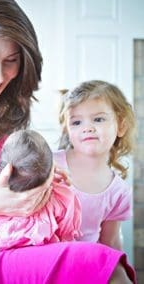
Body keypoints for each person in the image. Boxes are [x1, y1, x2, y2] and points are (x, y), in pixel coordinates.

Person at [0, 0, 136, 283]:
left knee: (101, 263)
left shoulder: (2, 115)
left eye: (11, 60)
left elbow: (8, 184)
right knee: (96, 264)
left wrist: (41, 183)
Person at [0, 129, 82, 255]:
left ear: (0, 170)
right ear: (52, 168)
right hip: (42, 258)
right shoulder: (63, 197)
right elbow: (67, 233)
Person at [54, 80, 136, 251]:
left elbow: (110, 243)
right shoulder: (49, 164)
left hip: (87, 262)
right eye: (76, 122)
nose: (87, 128)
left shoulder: (119, 191)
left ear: (121, 126)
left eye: (98, 119)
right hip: (44, 257)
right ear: (67, 130)